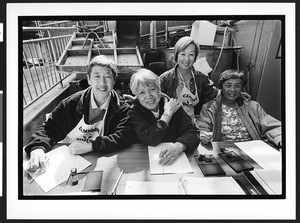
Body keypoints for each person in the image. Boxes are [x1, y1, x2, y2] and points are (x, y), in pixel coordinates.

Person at [24, 55, 135, 172]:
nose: (102, 83)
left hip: (99, 158)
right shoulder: (71, 103)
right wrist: (37, 148)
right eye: (96, 77)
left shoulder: (121, 108)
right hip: (68, 159)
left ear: (114, 80)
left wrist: (92, 146)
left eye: (107, 77)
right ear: (88, 79)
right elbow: (50, 128)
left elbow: (123, 136)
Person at [159, 36, 250, 120]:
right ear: (176, 55)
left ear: (195, 57)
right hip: (172, 122)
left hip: (192, 122)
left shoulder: (201, 78)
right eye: (183, 54)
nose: (187, 59)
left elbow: (214, 93)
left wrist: (235, 93)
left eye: (191, 54)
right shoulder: (165, 78)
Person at [129, 68, 200, 166]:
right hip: (145, 163)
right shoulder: (134, 111)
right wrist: (167, 114)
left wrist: (178, 147)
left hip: (175, 162)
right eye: (142, 93)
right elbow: (151, 138)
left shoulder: (171, 104)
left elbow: (194, 131)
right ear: (136, 95)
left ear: (159, 88)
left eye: (152, 89)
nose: (149, 96)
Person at [197, 69, 282, 148]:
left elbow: (273, 127)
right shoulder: (209, 108)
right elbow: (202, 130)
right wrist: (205, 136)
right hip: (223, 150)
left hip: (252, 149)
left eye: (237, 86)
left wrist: (280, 139)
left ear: (241, 88)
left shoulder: (252, 106)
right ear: (221, 88)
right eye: (228, 85)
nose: (232, 89)